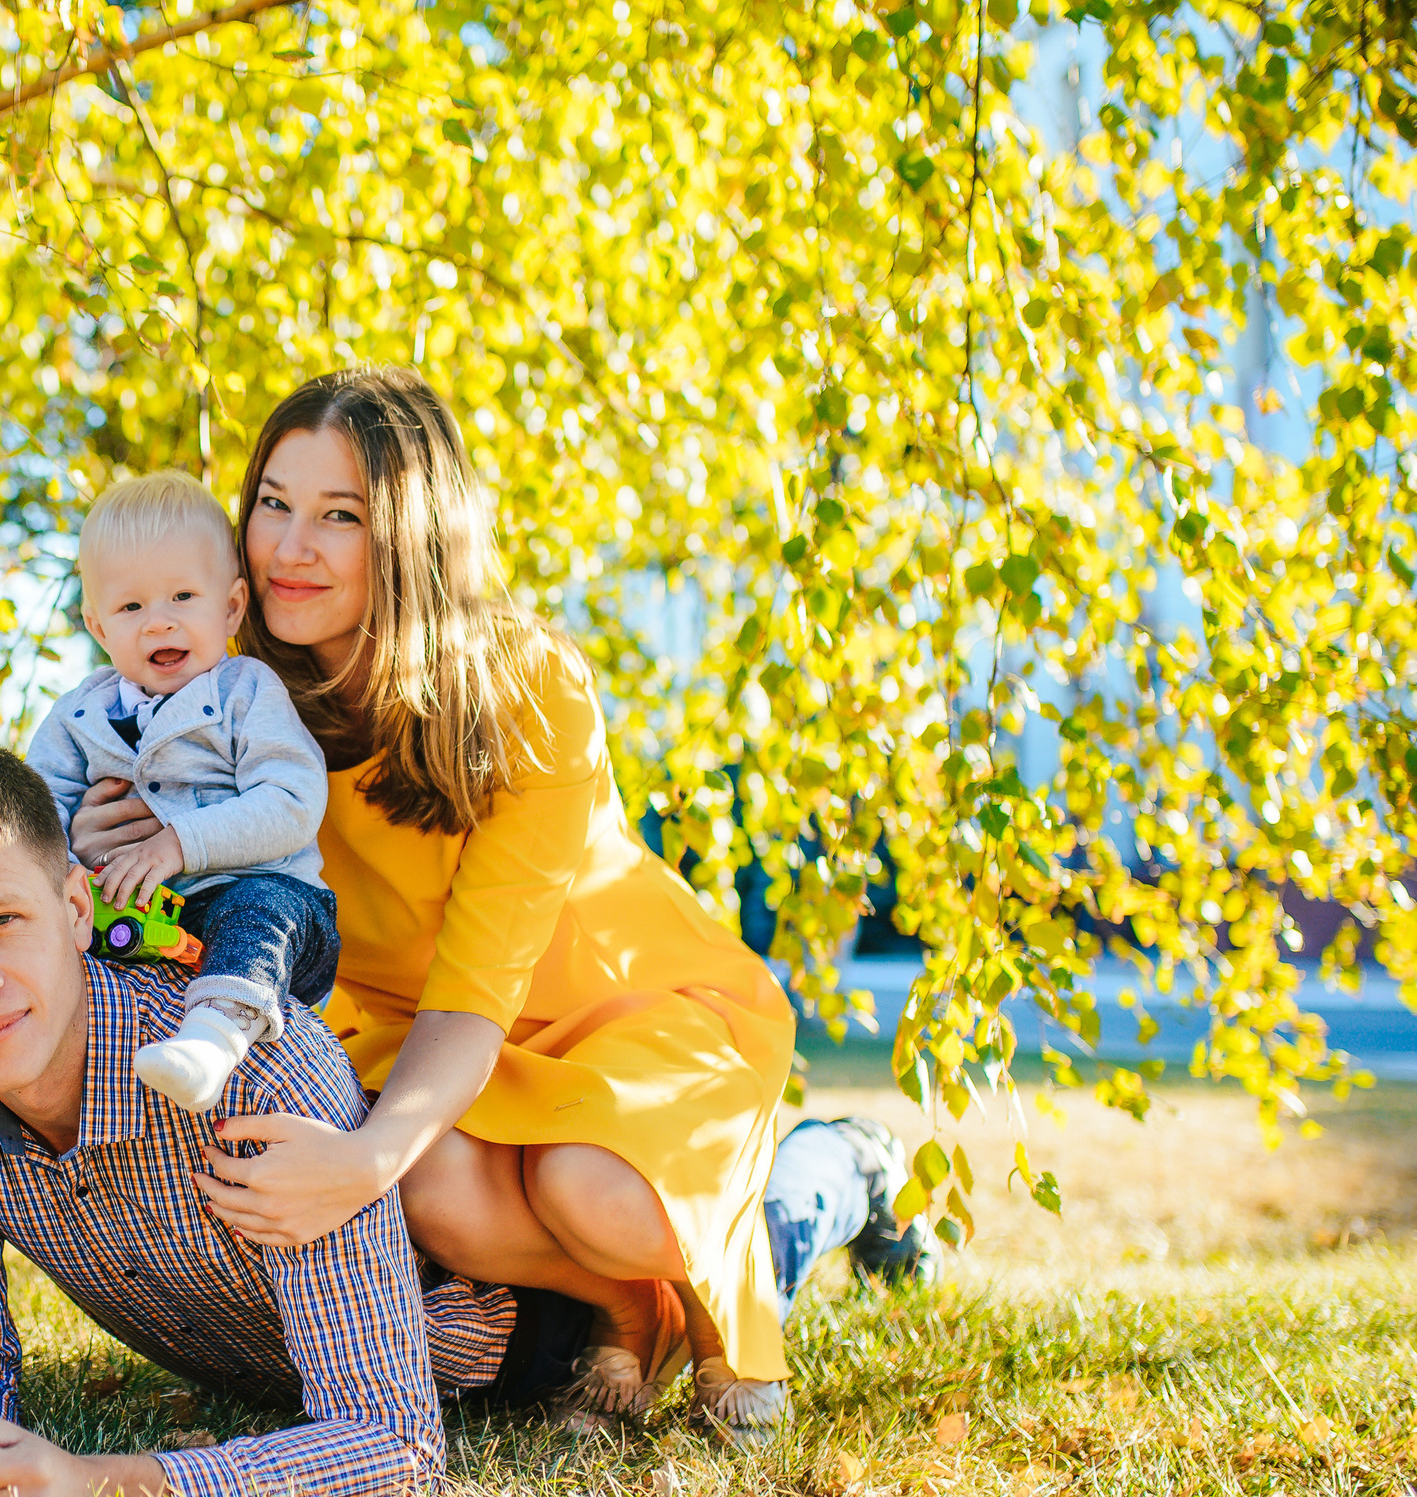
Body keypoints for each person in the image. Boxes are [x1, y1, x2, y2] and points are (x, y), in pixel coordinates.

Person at [69, 368, 934, 1428]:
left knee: (594, 1192)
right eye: (273, 504)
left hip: (618, 1014)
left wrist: (364, 1159)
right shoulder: (220, 683)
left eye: (341, 516)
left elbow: (479, 984)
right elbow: (161, 871)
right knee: (439, 1197)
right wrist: (106, 839)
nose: (290, 546)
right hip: (402, 1028)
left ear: (413, 536)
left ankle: (834, 1168)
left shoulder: (525, 690)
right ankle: (639, 1306)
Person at [0, 740, 571, 1497]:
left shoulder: (256, 1069)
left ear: (77, 910)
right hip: (256, 1366)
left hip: (507, 1343)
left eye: (3, 921)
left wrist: (103, 1487)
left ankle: (641, 1315)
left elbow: (393, 1445)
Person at [23, 471, 339, 1113]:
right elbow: (32, 809)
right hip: (141, 917)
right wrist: (60, 866)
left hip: (269, 901)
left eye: (182, 597)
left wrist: (179, 844)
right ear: (96, 624)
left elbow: (293, 799)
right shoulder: (80, 715)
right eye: (131, 607)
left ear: (230, 607)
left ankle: (213, 1040)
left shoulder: (244, 692)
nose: (157, 623)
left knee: (257, 909)